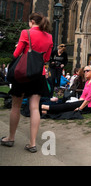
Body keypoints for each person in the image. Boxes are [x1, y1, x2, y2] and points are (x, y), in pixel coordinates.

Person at [1, 13, 53, 153]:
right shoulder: (49, 37)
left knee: (15, 107)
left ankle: (11, 138)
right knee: (35, 108)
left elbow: (16, 54)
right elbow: (46, 58)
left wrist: (19, 46)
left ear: (31, 22)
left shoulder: (26, 33)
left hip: (23, 74)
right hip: (38, 75)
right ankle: (32, 143)